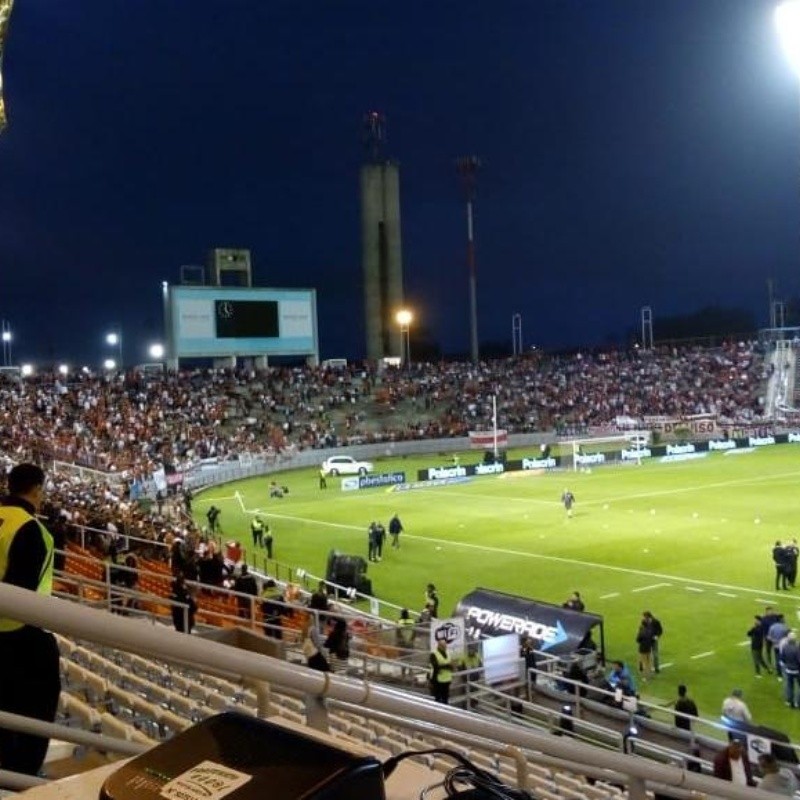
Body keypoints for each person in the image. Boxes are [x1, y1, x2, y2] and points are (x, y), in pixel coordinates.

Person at [0, 463, 61, 776]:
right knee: (32, 717)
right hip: (16, 639)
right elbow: (21, 597)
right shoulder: (32, 530)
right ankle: (20, 779)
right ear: (37, 490)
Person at [429, 638, 454, 704]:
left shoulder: (448, 653)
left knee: (445, 699)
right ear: (439, 646)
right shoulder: (434, 654)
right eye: (443, 646)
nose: (445, 647)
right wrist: (447, 666)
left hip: (447, 679)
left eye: (445, 645)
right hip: (437, 680)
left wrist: (445, 666)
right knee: (437, 699)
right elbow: (436, 666)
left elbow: (451, 665)